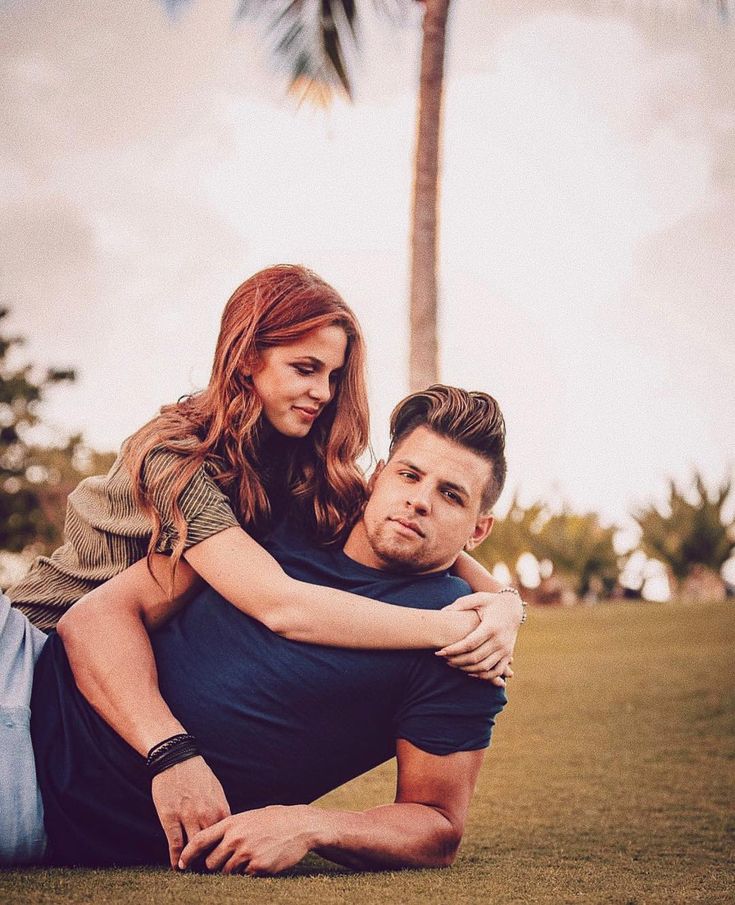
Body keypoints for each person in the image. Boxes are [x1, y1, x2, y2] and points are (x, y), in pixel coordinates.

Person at [1, 386, 521, 871]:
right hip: (21, 664)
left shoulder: (469, 641)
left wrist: (312, 824)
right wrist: (171, 754)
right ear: (378, 475)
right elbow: (96, 617)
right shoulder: (281, 515)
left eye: (451, 495)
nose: (420, 500)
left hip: (40, 798)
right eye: (409, 475)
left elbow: (437, 823)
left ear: (479, 529)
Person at [5, 265, 520, 674]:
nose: (323, 392)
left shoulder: (294, 459)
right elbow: (280, 606)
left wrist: (504, 605)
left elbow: (399, 520)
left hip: (93, 667)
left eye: (334, 375)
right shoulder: (171, 456)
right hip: (29, 646)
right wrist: (449, 630)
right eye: (305, 368)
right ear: (248, 357)